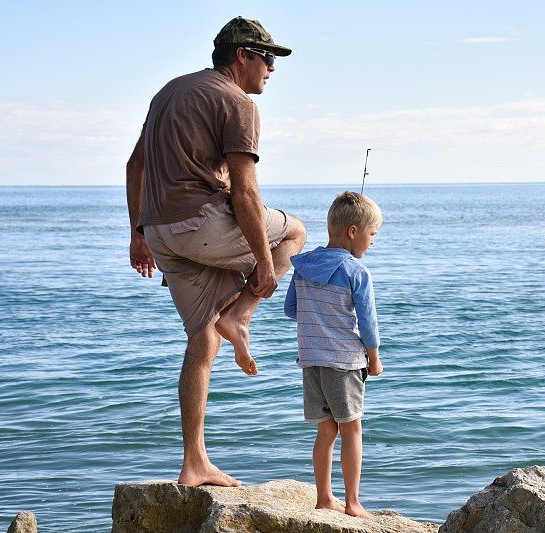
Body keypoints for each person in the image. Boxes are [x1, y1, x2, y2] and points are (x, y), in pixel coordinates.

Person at [125, 16, 307, 488]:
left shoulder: (169, 91)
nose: (272, 69)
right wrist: (264, 268)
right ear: (241, 56)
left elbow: (135, 163)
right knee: (295, 234)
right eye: (267, 58)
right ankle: (241, 317)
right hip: (199, 224)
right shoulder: (237, 103)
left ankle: (194, 462)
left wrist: (138, 233)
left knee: (203, 340)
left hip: (161, 232)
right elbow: (246, 195)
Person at [284, 191, 384, 518]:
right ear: (353, 232)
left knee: (326, 430)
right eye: (372, 235)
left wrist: (318, 317)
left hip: (311, 359)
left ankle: (325, 498)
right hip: (344, 362)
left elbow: (291, 309)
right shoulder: (356, 272)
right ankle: (353, 503)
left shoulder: (302, 266)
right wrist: (374, 357)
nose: (372, 242)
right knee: (351, 429)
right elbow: (368, 323)